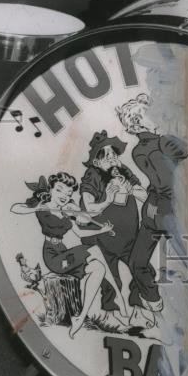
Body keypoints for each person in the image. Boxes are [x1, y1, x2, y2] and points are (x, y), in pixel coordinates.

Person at [11, 171, 129, 338]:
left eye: (68, 193)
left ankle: (80, 317)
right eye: (59, 190)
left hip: (63, 252)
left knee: (98, 268)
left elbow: (80, 233)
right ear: (50, 189)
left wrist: (102, 229)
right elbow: (15, 208)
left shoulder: (66, 212)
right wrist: (37, 207)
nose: (64, 196)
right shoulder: (42, 205)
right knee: (93, 250)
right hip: (53, 256)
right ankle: (119, 297)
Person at [116, 97, 188, 326]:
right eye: (152, 112)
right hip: (169, 210)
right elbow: (186, 160)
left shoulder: (139, 150)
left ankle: (155, 303)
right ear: (138, 121)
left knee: (137, 261)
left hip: (152, 208)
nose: (158, 115)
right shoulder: (164, 142)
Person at [78, 131, 152, 329]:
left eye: (114, 152)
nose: (111, 157)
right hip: (103, 238)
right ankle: (109, 313)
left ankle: (138, 308)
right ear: (96, 160)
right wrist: (108, 199)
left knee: (141, 269)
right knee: (111, 278)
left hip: (128, 237)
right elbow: (88, 207)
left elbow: (144, 196)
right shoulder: (92, 176)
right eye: (105, 153)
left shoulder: (123, 170)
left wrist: (131, 190)